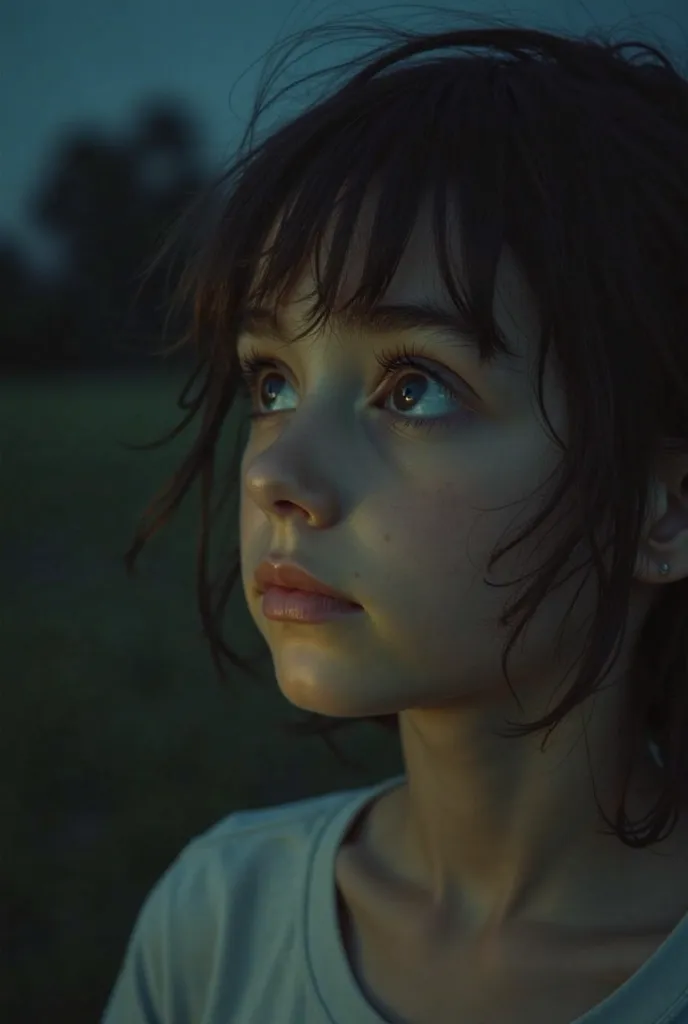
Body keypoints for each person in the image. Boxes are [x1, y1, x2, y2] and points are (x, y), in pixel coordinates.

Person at [103, 8, 688, 1023]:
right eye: (273, 381)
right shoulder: (216, 920)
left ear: (666, 510)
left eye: (412, 387)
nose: (277, 471)